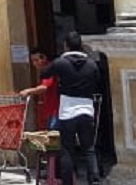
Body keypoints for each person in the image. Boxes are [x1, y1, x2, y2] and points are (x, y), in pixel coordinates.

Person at [42, 32, 104, 185]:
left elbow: (45, 73)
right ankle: (94, 181)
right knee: (89, 149)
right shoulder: (91, 64)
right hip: (87, 111)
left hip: (67, 113)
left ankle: (68, 182)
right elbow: (98, 82)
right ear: (81, 45)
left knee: (68, 151)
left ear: (66, 45)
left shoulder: (61, 63)